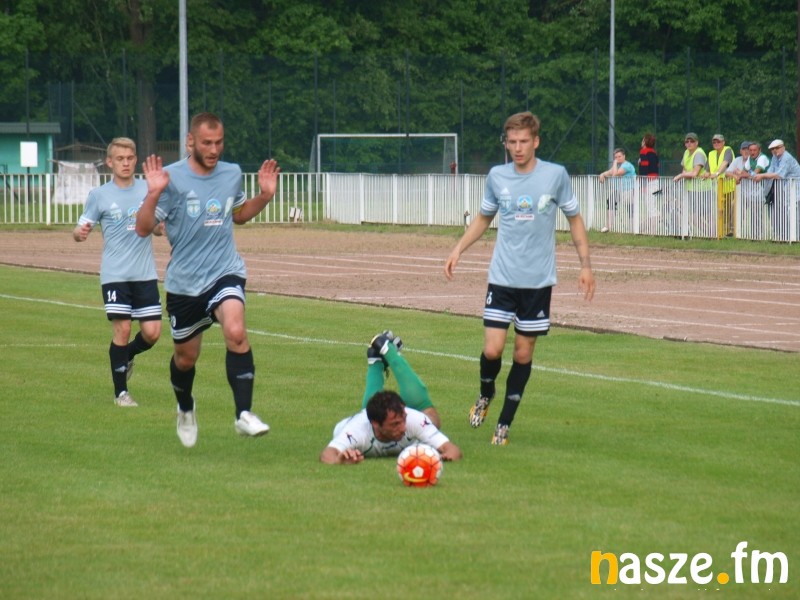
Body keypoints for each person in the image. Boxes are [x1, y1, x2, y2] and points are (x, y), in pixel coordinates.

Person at [443, 111, 595, 446]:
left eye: (524, 141)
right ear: (506, 143)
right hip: (502, 278)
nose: (518, 148)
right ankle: (486, 394)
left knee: (523, 355)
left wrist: (585, 265)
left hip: (537, 283)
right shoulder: (497, 176)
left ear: (536, 141)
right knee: (493, 349)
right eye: (512, 142)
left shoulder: (555, 175)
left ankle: (504, 424)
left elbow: (574, 219)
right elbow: (484, 218)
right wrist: (458, 249)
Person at [135, 112, 280, 448]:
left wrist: (264, 196)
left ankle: (243, 414)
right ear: (191, 142)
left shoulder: (231, 174)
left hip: (224, 271)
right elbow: (143, 228)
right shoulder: (170, 178)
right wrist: (153, 193)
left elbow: (239, 215)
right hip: (184, 284)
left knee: (236, 331)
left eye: (219, 142)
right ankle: (185, 407)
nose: (214, 149)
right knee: (185, 359)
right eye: (207, 143)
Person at [73, 137, 162, 407]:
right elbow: (80, 229)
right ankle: (121, 393)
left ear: (136, 160)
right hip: (115, 275)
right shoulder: (99, 195)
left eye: (130, 158)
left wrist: (161, 227)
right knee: (122, 329)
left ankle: (128, 355)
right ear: (109, 162)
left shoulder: (148, 189)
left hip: (145, 274)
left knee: (152, 333)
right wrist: (80, 233)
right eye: (120, 159)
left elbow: (157, 226)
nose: (125, 163)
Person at [319, 332, 462, 465]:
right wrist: (340, 460)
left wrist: (440, 459)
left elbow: (452, 450)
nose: (403, 427)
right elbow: (327, 454)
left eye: (403, 420)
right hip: (364, 420)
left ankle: (382, 355)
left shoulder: (413, 420)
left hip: (377, 417)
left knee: (432, 421)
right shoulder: (356, 430)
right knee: (371, 409)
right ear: (375, 424)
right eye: (395, 424)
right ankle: (380, 356)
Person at [702, 134, 735, 236]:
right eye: (714, 142)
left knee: (730, 209)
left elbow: (725, 163)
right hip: (717, 188)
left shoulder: (728, 150)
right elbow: (707, 170)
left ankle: (731, 230)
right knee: (721, 210)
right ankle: (723, 231)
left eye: (718, 142)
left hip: (730, 186)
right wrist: (705, 174)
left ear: (723, 142)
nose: (716, 143)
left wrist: (716, 173)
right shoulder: (711, 154)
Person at [598, 147, 636, 233]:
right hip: (619, 190)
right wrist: (602, 174)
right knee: (610, 201)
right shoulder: (617, 166)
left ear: (624, 156)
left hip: (629, 190)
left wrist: (614, 163)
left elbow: (615, 174)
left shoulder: (627, 165)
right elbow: (609, 172)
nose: (617, 159)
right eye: (615, 157)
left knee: (630, 208)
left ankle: (633, 229)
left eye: (619, 156)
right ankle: (608, 226)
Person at [638, 133, 661, 233]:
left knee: (650, 207)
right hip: (656, 182)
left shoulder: (644, 152)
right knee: (653, 205)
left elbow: (644, 168)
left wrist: (643, 184)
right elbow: (657, 166)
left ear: (645, 142)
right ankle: (651, 229)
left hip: (648, 182)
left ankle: (653, 231)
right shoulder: (654, 153)